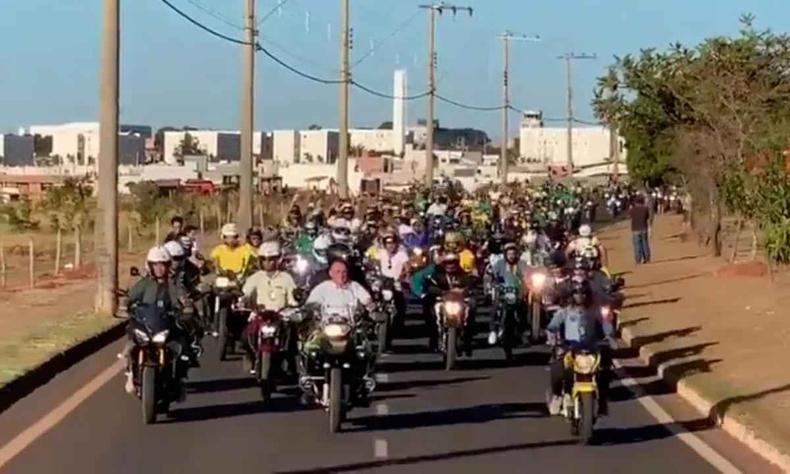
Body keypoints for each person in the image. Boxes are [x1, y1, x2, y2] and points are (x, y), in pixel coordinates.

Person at [123, 246, 189, 397]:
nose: (159, 269)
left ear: (168, 266)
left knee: (182, 347)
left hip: (166, 324)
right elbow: (131, 297)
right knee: (130, 342)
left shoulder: (172, 284)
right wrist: (125, 305)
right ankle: (130, 374)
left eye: (163, 264)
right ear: (150, 266)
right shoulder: (144, 283)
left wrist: (185, 304)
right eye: (156, 265)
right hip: (146, 324)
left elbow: (181, 297)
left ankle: (178, 378)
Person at [546, 281, 613, 416]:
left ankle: (602, 402)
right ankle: (558, 395)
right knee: (558, 370)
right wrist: (553, 339)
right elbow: (552, 326)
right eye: (577, 293)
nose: (580, 296)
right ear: (572, 295)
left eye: (583, 293)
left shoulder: (594, 312)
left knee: (605, 370)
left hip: (591, 349)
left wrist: (609, 337)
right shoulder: (564, 312)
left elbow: (606, 325)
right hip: (569, 349)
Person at [241, 241, 299, 374]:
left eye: (272, 259)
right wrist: (242, 301)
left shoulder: (286, 278)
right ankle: (252, 356)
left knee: (292, 336)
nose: (268, 263)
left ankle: (290, 362)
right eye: (264, 259)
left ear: (278, 260)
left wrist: (294, 304)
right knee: (245, 336)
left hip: (281, 316)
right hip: (260, 315)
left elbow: (293, 297)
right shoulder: (255, 278)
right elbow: (246, 294)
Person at [425, 253, 476, 355]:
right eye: (448, 263)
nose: (451, 266)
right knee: (432, 312)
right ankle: (435, 339)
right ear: (444, 264)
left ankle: (467, 339)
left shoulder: (464, 276)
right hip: (443, 302)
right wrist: (441, 292)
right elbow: (430, 287)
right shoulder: (437, 276)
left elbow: (470, 286)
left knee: (471, 306)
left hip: (459, 303)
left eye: (453, 263)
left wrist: (464, 291)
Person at [488, 242, 526, 346]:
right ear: (505, 254)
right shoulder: (499, 264)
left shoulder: (521, 264)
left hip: (517, 292)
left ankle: (521, 332)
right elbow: (491, 274)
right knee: (495, 307)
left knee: (523, 309)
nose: (512, 256)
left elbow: (527, 274)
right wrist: (492, 283)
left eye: (513, 254)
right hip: (502, 292)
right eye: (509, 254)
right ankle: (493, 331)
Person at [629, 195, 651, 264]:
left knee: (637, 245)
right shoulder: (645, 209)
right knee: (645, 244)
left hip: (635, 229)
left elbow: (630, 216)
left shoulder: (632, 209)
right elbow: (647, 217)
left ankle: (638, 259)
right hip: (644, 228)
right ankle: (647, 258)